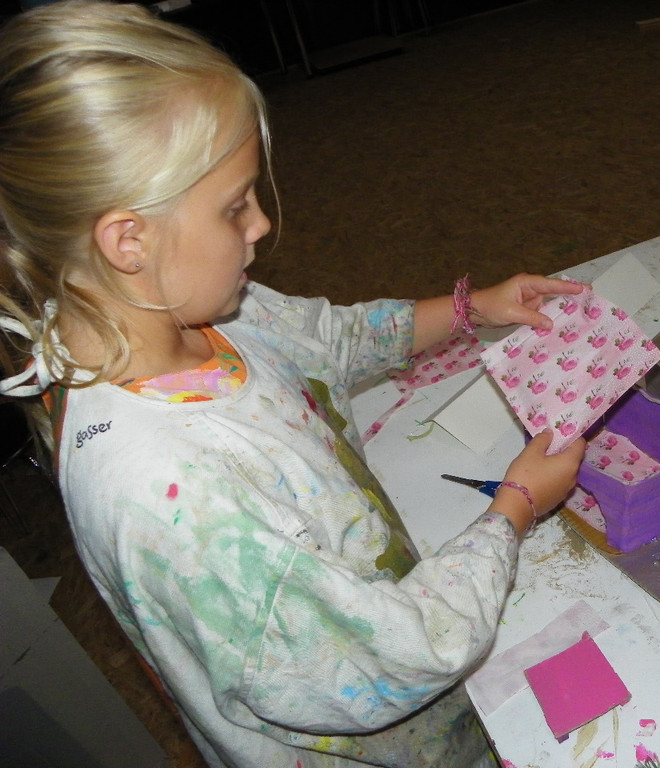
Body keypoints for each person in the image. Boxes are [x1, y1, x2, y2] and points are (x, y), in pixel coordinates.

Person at [0, 2, 586, 766]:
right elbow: (395, 656)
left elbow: (326, 341)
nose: (260, 226)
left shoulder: (194, 308)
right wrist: (517, 506)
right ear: (128, 240)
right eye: (233, 206)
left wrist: (475, 307)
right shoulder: (173, 499)